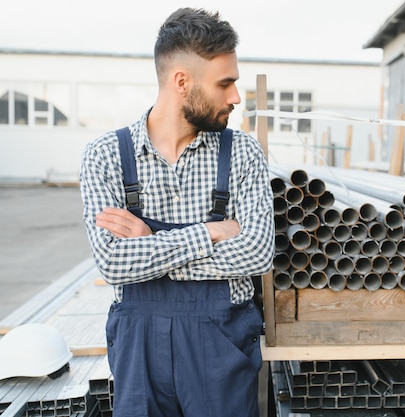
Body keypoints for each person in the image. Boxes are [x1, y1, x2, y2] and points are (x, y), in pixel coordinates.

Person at [79, 7, 274, 417]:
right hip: (139, 349)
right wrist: (211, 232)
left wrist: (150, 248)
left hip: (221, 344)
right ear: (182, 82)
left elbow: (257, 252)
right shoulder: (106, 156)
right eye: (226, 84)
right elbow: (114, 263)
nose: (236, 97)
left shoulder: (242, 153)